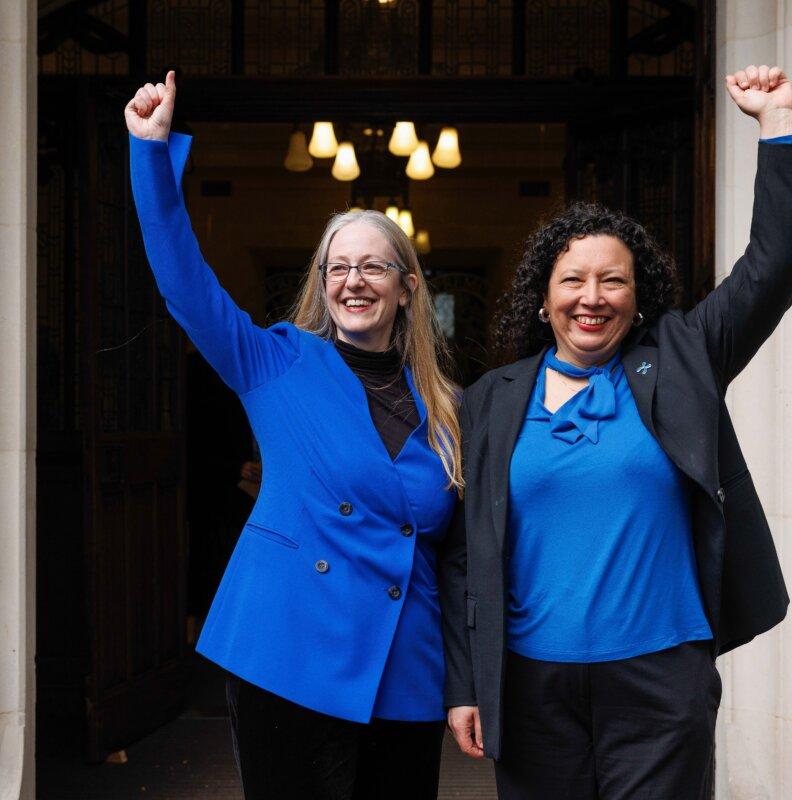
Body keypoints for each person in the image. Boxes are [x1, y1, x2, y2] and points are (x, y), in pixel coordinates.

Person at [441, 65, 792, 799]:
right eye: (572, 280)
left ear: (638, 294)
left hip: (659, 679)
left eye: (613, 280)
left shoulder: (682, 359)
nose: (592, 297)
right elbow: (462, 559)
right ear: (542, 298)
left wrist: (777, 121)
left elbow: (773, 267)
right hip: (529, 682)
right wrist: (466, 683)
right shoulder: (490, 400)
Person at [126, 72, 463, 799]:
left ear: (407, 285)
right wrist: (150, 153)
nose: (354, 280)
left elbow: (463, 550)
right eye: (338, 266)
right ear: (321, 280)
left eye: (374, 265)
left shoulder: (449, 407)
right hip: (289, 646)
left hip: (405, 662)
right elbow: (185, 285)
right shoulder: (275, 361)